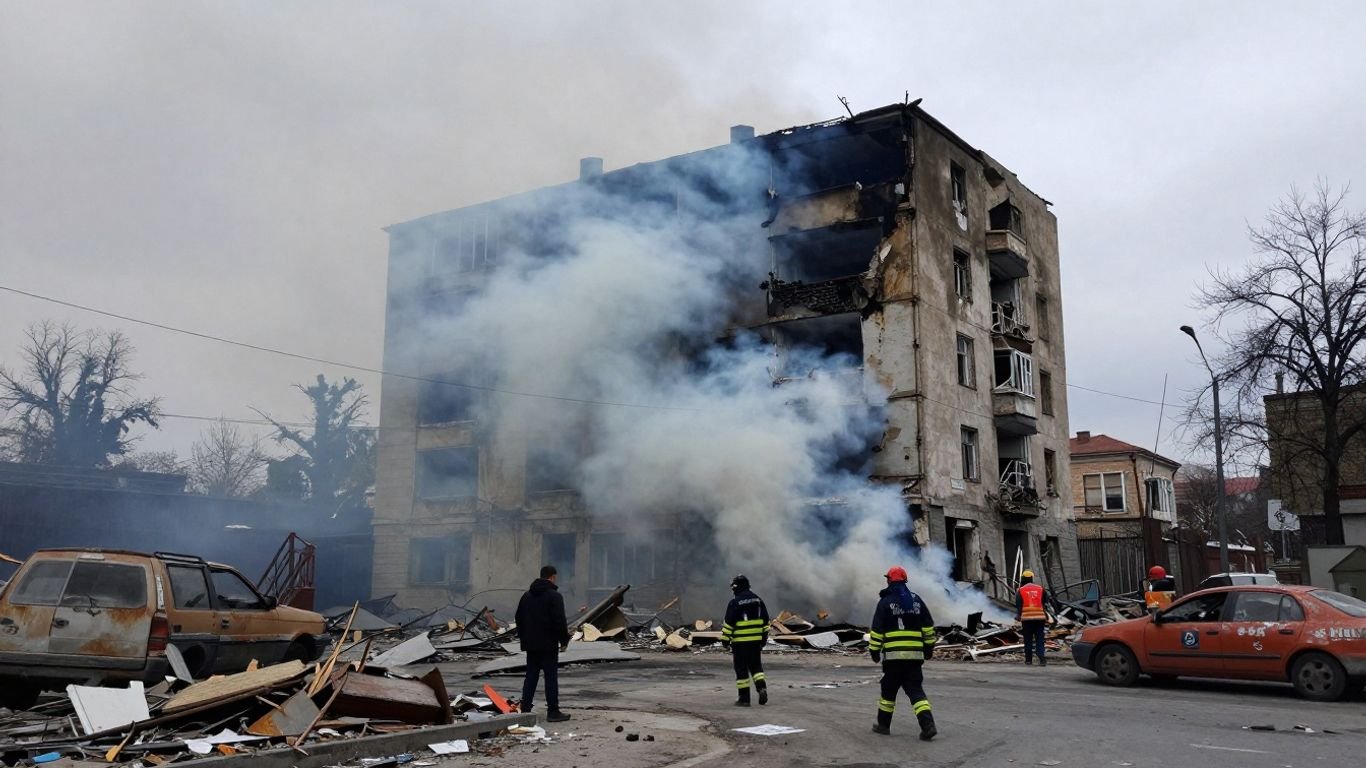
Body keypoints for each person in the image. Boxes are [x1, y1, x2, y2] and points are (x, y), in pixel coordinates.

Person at [868, 566, 937, 739]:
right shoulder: (916, 600)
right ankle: (928, 725)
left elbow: (877, 630)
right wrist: (929, 648)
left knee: (888, 692)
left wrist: (874, 651)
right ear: (905, 581)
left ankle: (883, 725)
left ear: (889, 581)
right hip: (914, 657)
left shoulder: (885, 602)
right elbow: (928, 627)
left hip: (893, 658)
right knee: (916, 692)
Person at [514, 565, 571, 722]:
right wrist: (564, 640)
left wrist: (524, 638)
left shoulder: (526, 596)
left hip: (531, 645)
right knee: (550, 677)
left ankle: (525, 709)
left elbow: (519, 618)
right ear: (552, 577)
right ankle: (553, 712)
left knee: (531, 675)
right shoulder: (554, 596)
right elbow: (559, 621)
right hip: (548, 645)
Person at [720, 574, 770, 706]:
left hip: (740, 643)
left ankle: (744, 699)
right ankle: (761, 687)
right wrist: (763, 639)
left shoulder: (735, 603)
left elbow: (729, 624)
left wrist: (725, 641)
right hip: (755, 642)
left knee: (741, 669)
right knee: (756, 667)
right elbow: (766, 622)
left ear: (736, 588)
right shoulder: (758, 600)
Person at [1015, 569, 1047, 666]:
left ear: (1023, 579)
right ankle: (1042, 658)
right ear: (1032, 578)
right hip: (1040, 618)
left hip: (1027, 619)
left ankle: (1028, 660)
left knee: (1028, 639)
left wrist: (1018, 615)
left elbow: (1018, 605)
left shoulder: (1020, 590)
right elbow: (1045, 602)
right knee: (1039, 638)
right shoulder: (1041, 588)